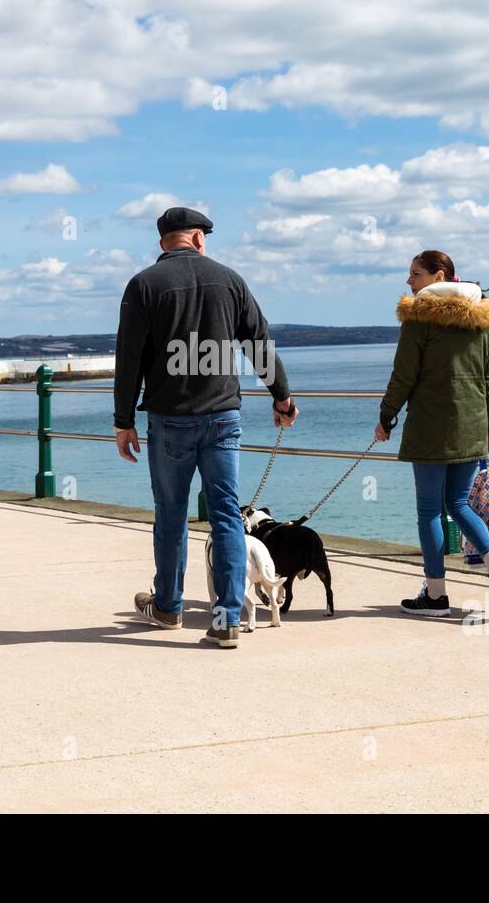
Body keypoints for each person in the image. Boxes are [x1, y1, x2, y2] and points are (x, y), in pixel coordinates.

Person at [114, 207, 298, 648]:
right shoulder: (230, 280)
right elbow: (258, 341)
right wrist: (282, 396)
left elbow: (129, 357)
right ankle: (225, 618)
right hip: (222, 418)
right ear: (197, 238)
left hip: (168, 418)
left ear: (164, 242)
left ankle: (169, 608)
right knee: (226, 518)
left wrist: (123, 421)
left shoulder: (143, 285)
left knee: (171, 516)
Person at [375, 250, 489, 615]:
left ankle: (436, 596)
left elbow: (404, 376)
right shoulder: (481, 319)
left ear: (439, 276)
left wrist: (386, 417)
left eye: (416, 274)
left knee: (429, 512)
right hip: (472, 427)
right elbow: (488, 380)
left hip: (431, 428)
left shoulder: (419, 318)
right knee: (459, 503)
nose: (409, 281)